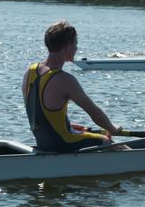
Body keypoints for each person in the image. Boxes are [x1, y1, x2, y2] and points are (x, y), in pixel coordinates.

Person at [23, 20, 125, 153]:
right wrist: (112, 128)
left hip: (43, 141)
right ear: (67, 46)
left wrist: (68, 126)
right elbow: (94, 112)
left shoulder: (30, 71)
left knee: (88, 136)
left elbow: (39, 114)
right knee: (106, 141)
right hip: (62, 143)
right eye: (75, 43)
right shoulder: (64, 79)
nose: (77, 48)